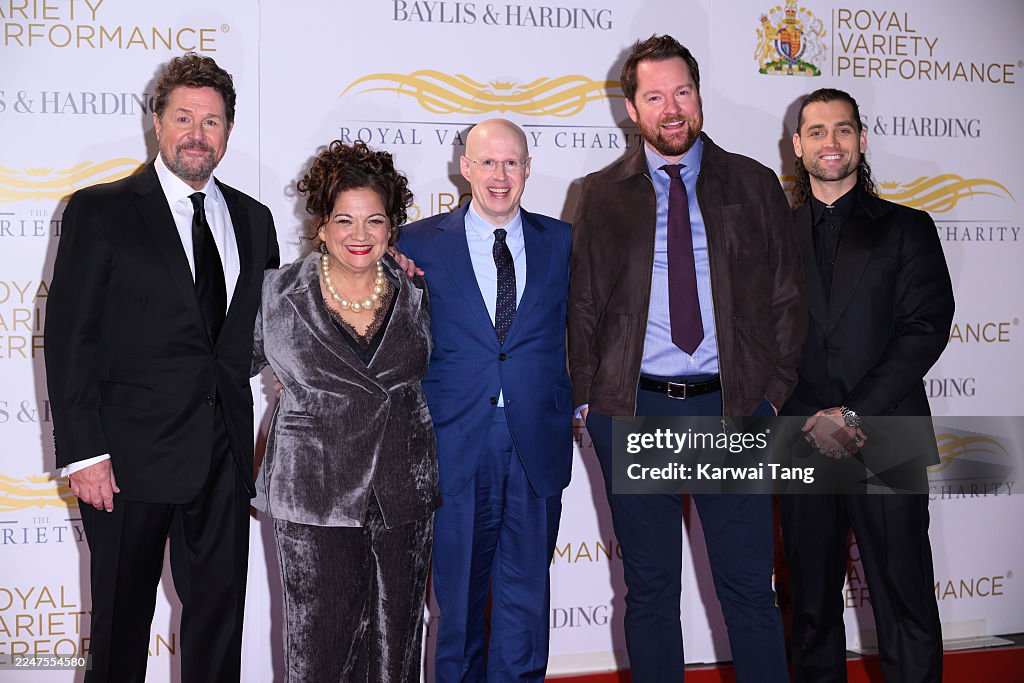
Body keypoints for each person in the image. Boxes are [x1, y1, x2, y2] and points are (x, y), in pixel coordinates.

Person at [567, 35, 805, 682]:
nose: (671, 108)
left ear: (698, 95)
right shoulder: (600, 194)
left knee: (751, 594)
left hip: (732, 413)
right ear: (631, 108)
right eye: (654, 96)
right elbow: (582, 307)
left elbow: (788, 299)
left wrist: (771, 398)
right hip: (636, 411)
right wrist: (593, 406)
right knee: (649, 595)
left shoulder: (753, 183)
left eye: (682, 91)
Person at [44, 53, 280, 681]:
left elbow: (271, 329)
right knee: (121, 629)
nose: (197, 134)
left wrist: (390, 271)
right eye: (184, 117)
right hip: (124, 464)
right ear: (157, 122)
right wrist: (84, 452)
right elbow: (70, 340)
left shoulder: (255, 221)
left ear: (229, 131)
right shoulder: (102, 210)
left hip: (224, 459)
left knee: (218, 625)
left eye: (212, 121)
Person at [780, 87, 952, 683]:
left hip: (886, 432)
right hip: (800, 435)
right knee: (810, 608)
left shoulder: (908, 228)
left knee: (905, 601)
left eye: (844, 129)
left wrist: (851, 413)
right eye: (818, 131)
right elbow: (759, 335)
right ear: (798, 146)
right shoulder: (772, 234)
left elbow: (924, 330)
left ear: (862, 139)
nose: (832, 142)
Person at [251, 140, 439, 682]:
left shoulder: (418, 291)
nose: (360, 235)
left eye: (375, 221)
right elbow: (221, 370)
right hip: (314, 499)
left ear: (392, 226)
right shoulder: (275, 294)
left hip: (403, 494)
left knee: (398, 649)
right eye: (345, 220)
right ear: (323, 224)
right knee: (321, 652)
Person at [398, 118, 573, 682]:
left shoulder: (563, 241)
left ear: (528, 168)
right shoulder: (415, 243)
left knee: (526, 613)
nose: (500, 176)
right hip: (455, 446)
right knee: (457, 617)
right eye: (488, 163)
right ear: (464, 168)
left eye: (512, 163)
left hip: (535, 446)